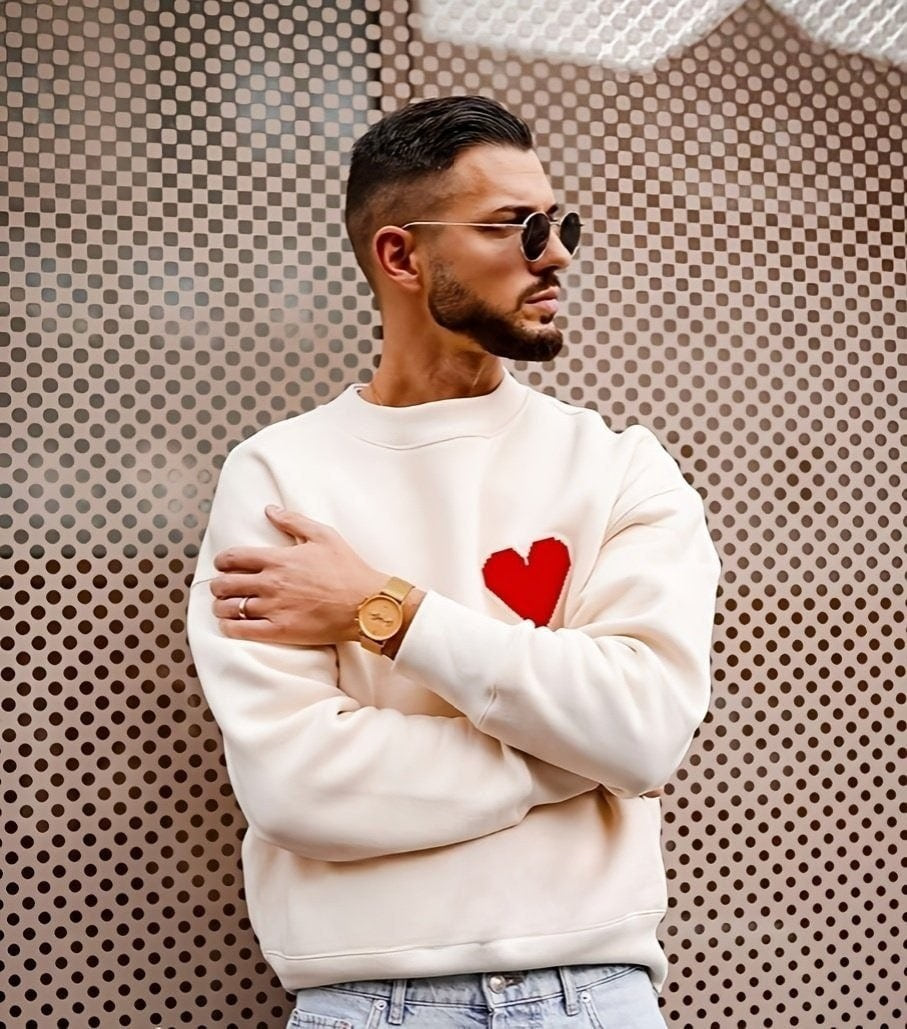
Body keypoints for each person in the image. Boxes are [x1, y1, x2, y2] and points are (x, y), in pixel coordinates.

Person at [186, 95, 720, 1029]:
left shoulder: (620, 466)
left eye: (559, 224)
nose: (555, 255)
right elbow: (300, 786)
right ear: (401, 256)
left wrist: (387, 611)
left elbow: (644, 728)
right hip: (367, 1003)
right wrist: (571, 754)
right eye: (515, 227)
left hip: (593, 996)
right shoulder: (279, 476)